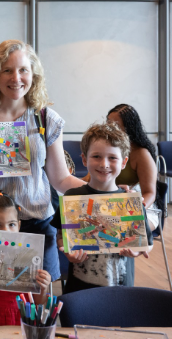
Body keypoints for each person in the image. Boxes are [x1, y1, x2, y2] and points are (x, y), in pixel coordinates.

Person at [0, 40, 85, 282]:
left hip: (36, 226)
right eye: (7, 70)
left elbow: (61, 179)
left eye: (23, 70)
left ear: (34, 75)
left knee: (38, 306)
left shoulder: (46, 119)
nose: (16, 78)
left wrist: (103, 191)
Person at [56, 122, 153, 293]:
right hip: (80, 288)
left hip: (120, 289)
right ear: (84, 159)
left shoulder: (131, 202)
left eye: (112, 158)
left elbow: (148, 242)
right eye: (96, 156)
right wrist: (67, 252)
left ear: (124, 162)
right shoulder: (72, 197)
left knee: (117, 319)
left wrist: (138, 251)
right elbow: (61, 235)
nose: (104, 164)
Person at [0, 189, 51, 327]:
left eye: (11, 225)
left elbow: (38, 301)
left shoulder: (28, 257)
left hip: (22, 319)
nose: (5, 231)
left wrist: (44, 287)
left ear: (19, 225)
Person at [107, 104, 159, 230]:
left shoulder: (141, 154)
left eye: (116, 126)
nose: (110, 129)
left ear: (129, 128)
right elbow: (88, 179)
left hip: (142, 207)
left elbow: (150, 193)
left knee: (124, 229)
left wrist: (133, 211)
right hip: (113, 206)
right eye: (108, 124)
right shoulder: (108, 150)